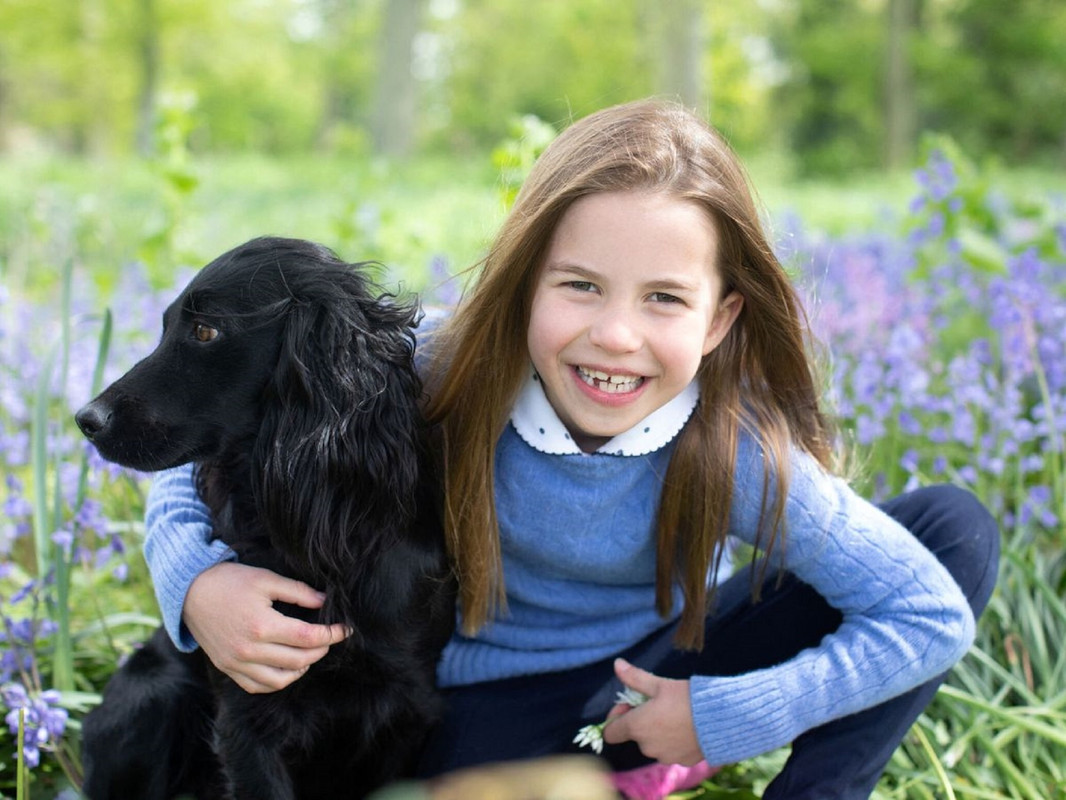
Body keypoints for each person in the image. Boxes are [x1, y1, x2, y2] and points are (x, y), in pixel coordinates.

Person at [142, 99, 999, 799]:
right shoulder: (446, 367)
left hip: (656, 675)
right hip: (478, 710)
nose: (616, 335)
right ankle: (615, 775)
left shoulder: (730, 447)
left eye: (665, 298)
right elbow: (208, 432)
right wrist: (198, 583)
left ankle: (742, 776)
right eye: (581, 285)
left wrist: (728, 712)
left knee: (952, 530)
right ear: (525, 283)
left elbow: (929, 615)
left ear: (720, 321)